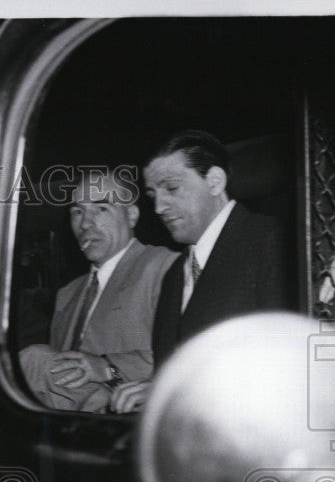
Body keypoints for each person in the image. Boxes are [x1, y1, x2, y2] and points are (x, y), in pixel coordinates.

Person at [110, 130, 295, 413]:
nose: (158, 207)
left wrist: (174, 391)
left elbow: (289, 366)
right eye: (152, 195)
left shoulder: (274, 241)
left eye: (171, 188)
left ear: (214, 181)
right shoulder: (175, 273)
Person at [19, 168, 176, 411]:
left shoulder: (165, 266)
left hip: (137, 417)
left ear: (131, 216)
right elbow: (59, 377)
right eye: (77, 212)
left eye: (101, 209)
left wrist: (107, 368)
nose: (85, 223)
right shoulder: (67, 294)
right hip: (71, 428)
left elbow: (192, 355)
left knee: (32, 359)